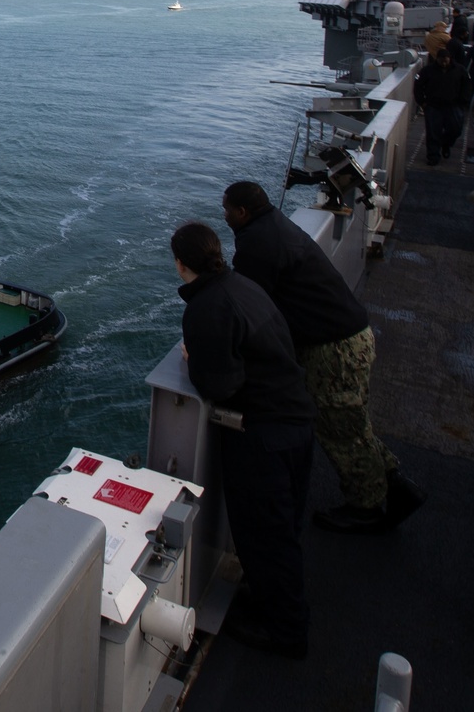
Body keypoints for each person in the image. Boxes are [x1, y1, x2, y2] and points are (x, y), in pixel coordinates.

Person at [222, 182, 425, 534]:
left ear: (241, 212)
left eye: (226, 209)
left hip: (334, 352)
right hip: (353, 338)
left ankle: (366, 508)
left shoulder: (257, 243)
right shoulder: (276, 226)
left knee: (340, 431)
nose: (224, 216)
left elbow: (249, 305)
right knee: (352, 424)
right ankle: (394, 483)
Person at [171, 221, 314, 659]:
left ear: (181, 264)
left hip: (264, 435)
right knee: (278, 529)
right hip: (295, 419)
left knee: (266, 534)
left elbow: (219, 385)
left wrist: (194, 358)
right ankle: (274, 604)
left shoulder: (208, 307)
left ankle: (287, 633)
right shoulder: (242, 286)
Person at [415, 47, 471, 166]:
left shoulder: (460, 70)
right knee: (433, 132)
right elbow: (418, 85)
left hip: (453, 105)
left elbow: (467, 85)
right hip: (433, 106)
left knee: (455, 129)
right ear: (437, 59)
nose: (444, 63)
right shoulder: (427, 70)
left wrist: (463, 101)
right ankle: (433, 156)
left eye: (446, 60)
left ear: (450, 59)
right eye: (442, 61)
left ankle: (446, 144)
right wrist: (422, 102)